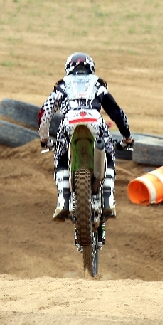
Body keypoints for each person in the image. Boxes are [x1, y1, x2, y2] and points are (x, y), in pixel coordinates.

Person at [39, 52, 133, 221]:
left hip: (69, 122)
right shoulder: (98, 84)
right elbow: (116, 112)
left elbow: (45, 112)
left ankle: (64, 201)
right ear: (91, 68)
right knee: (109, 151)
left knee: (60, 156)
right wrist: (127, 137)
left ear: (68, 68)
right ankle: (108, 198)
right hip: (94, 121)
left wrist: (44, 139)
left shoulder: (62, 85)